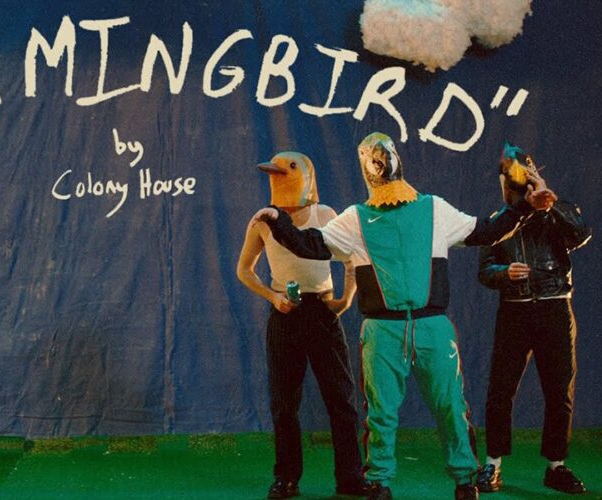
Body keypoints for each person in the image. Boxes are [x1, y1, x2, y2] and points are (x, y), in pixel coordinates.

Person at [252, 132, 557, 500]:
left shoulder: (432, 209)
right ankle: (380, 480)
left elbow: (487, 231)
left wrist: (525, 207)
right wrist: (279, 220)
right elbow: (310, 244)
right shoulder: (356, 219)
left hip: (429, 327)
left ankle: (464, 479)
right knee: (382, 413)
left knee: (450, 406)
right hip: (384, 331)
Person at [237, 152, 367, 498]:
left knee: (341, 399)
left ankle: (350, 476)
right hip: (285, 315)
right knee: (284, 403)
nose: (278, 176)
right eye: (275, 172)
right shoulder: (263, 220)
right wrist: (272, 297)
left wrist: (345, 299)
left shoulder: (325, 215)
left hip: (322, 311)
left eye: (287, 171)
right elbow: (244, 270)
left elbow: (353, 259)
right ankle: (287, 477)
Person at [475, 142, 591, 495]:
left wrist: (548, 201)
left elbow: (581, 234)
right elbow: (484, 270)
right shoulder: (500, 221)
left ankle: (556, 465)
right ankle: (493, 463)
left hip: (554, 307)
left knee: (559, 390)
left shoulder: (558, 213)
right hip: (515, 310)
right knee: (501, 390)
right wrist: (504, 273)